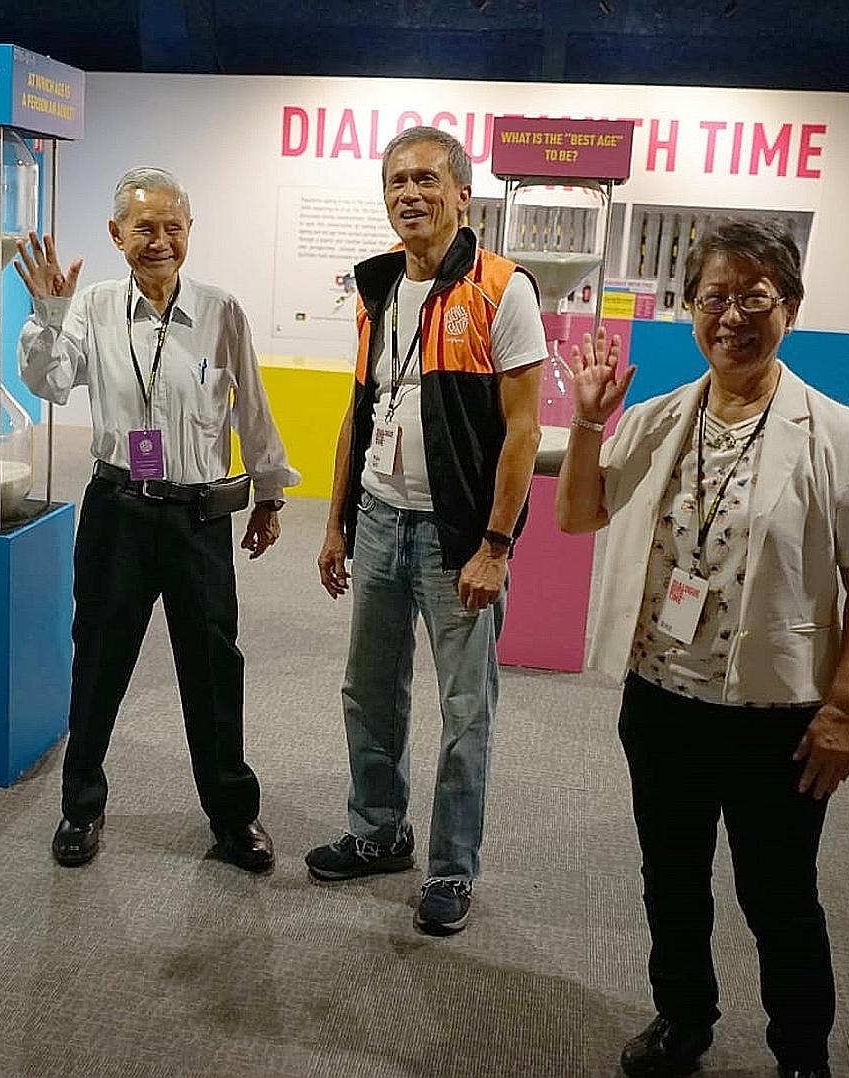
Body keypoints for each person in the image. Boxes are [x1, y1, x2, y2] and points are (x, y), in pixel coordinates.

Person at [556, 219, 849, 1078]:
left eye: (756, 297)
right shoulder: (656, 419)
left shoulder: (842, 436)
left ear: (790, 308)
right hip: (663, 698)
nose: (733, 315)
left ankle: (800, 1052)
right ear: (690, 308)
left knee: (778, 896)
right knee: (671, 879)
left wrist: (844, 711)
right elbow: (577, 515)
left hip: (774, 716)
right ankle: (684, 1020)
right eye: (716, 296)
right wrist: (590, 424)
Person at [14, 166, 299, 874]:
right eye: (143, 228)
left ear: (190, 231)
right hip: (119, 513)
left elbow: (252, 404)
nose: (160, 241)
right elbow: (49, 383)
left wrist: (269, 491)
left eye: (173, 227)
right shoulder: (94, 308)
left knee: (213, 670)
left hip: (199, 519)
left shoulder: (221, 309)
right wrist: (50, 312)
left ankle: (233, 818)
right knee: (100, 664)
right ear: (116, 234)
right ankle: (81, 805)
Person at [304, 127, 546, 937]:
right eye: (397, 181)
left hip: (456, 538)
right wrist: (335, 522)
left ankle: (451, 870)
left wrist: (495, 545)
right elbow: (359, 411)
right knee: (368, 693)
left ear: (462, 193)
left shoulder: (503, 288)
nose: (411, 193)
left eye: (427, 180)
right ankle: (379, 834)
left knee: (464, 709)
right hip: (376, 518)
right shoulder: (376, 289)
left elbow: (522, 431)